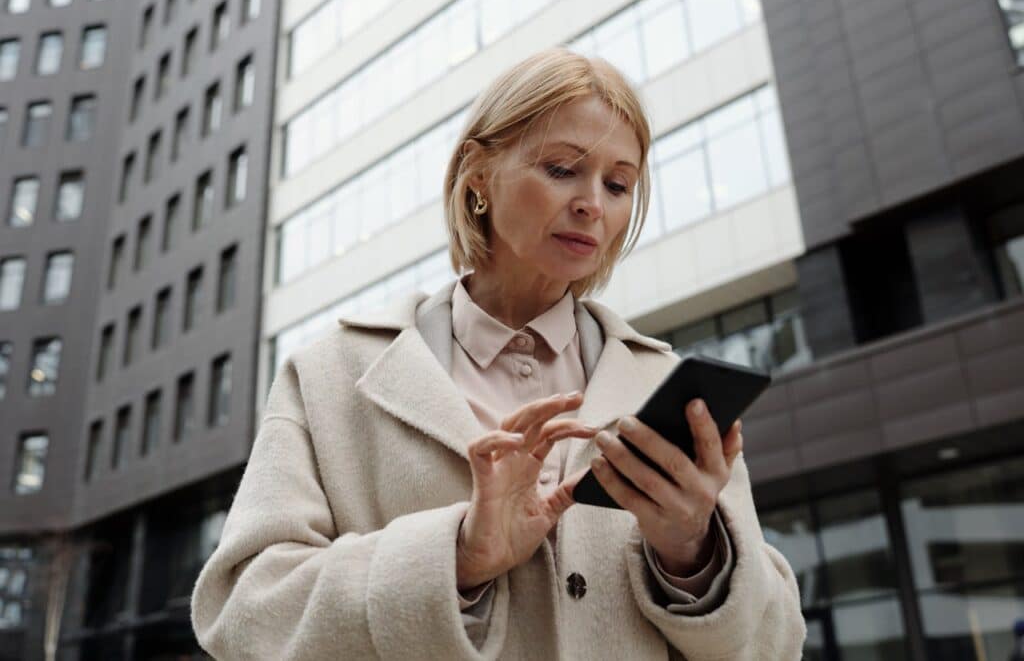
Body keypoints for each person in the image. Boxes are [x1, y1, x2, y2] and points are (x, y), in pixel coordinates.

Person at [190, 47, 806, 659]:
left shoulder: (665, 385)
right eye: (563, 169)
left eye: (618, 184)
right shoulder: (330, 375)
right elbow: (241, 611)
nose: (594, 203)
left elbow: (778, 644)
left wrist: (693, 552)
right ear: (478, 176)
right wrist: (458, 556)